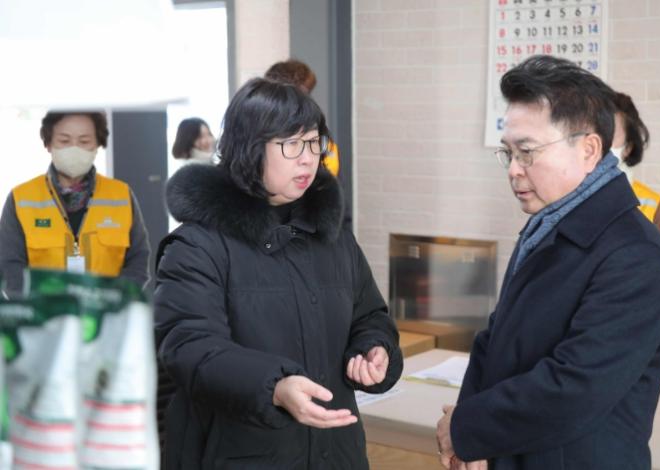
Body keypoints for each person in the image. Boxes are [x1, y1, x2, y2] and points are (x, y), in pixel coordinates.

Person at [436, 55, 660, 470]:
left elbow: (576, 388)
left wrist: (467, 427)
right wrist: (471, 438)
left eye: (527, 152)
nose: (513, 170)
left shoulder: (633, 252)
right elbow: (495, 340)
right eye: (509, 152)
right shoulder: (547, 224)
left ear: (589, 149)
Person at [154, 78, 403, 469]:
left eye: (314, 143)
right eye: (291, 144)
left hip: (336, 453)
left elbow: (370, 315)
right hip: (238, 455)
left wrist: (374, 348)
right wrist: (275, 386)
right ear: (249, 148)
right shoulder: (197, 246)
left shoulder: (332, 236)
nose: (308, 159)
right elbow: (190, 347)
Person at [0, 111, 151, 295]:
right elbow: (9, 266)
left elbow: (138, 260)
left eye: (84, 141)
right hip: (42, 310)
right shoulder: (21, 199)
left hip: (108, 308)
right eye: (64, 141)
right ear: (48, 144)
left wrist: (115, 300)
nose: (74, 149)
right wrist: (36, 305)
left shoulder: (121, 196)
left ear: (97, 144)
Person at [264, 59, 340, 177]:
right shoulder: (262, 135)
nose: (306, 101)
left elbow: (330, 172)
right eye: (299, 95)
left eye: (307, 94)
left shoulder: (318, 134)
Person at [611, 92, 660, 244]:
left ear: (628, 148)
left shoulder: (651, 203)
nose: (599, 143)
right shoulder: (562, 194)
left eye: (610, 134)